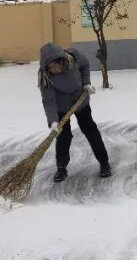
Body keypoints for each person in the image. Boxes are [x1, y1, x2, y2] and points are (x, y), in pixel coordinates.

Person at [38, 43, 111, 182]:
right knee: (64, 137)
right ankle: (61, 168)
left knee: (90, 130)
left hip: (80, 100)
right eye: (50, 68)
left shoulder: (73, 57)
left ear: (61, 60)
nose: (53, 70)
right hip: (61, 107)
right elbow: (49, 101)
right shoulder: (44, 77)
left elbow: (85, 65)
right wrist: (53, 121)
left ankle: (104, 163)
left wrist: (86, 83)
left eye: (55, 66)